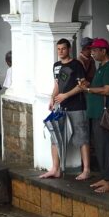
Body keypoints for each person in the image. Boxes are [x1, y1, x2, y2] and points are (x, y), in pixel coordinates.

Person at [42, 38, 91, 180]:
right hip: (61, 108)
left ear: (69, 49)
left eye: (63, 49)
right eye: (58, 49)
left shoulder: (76, 65)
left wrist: (66, 95)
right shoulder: (56, 65)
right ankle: (55, 169)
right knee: (55, 137)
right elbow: (57, 84)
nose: (60, 51)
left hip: (77, 106)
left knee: (82, 137)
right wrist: (53, 98)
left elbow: (82, 85)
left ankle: (86, 170)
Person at [81, 39, 109, 193]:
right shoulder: (101, 67)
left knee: (106, 147)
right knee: (100, 146)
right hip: (95, 113)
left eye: (95, 50)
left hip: (103, 114)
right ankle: (105, 176)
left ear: (104, 51)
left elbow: (107, 90)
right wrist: (88, 85)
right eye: (92, 50)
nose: (92, 53)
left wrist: (89, 90)